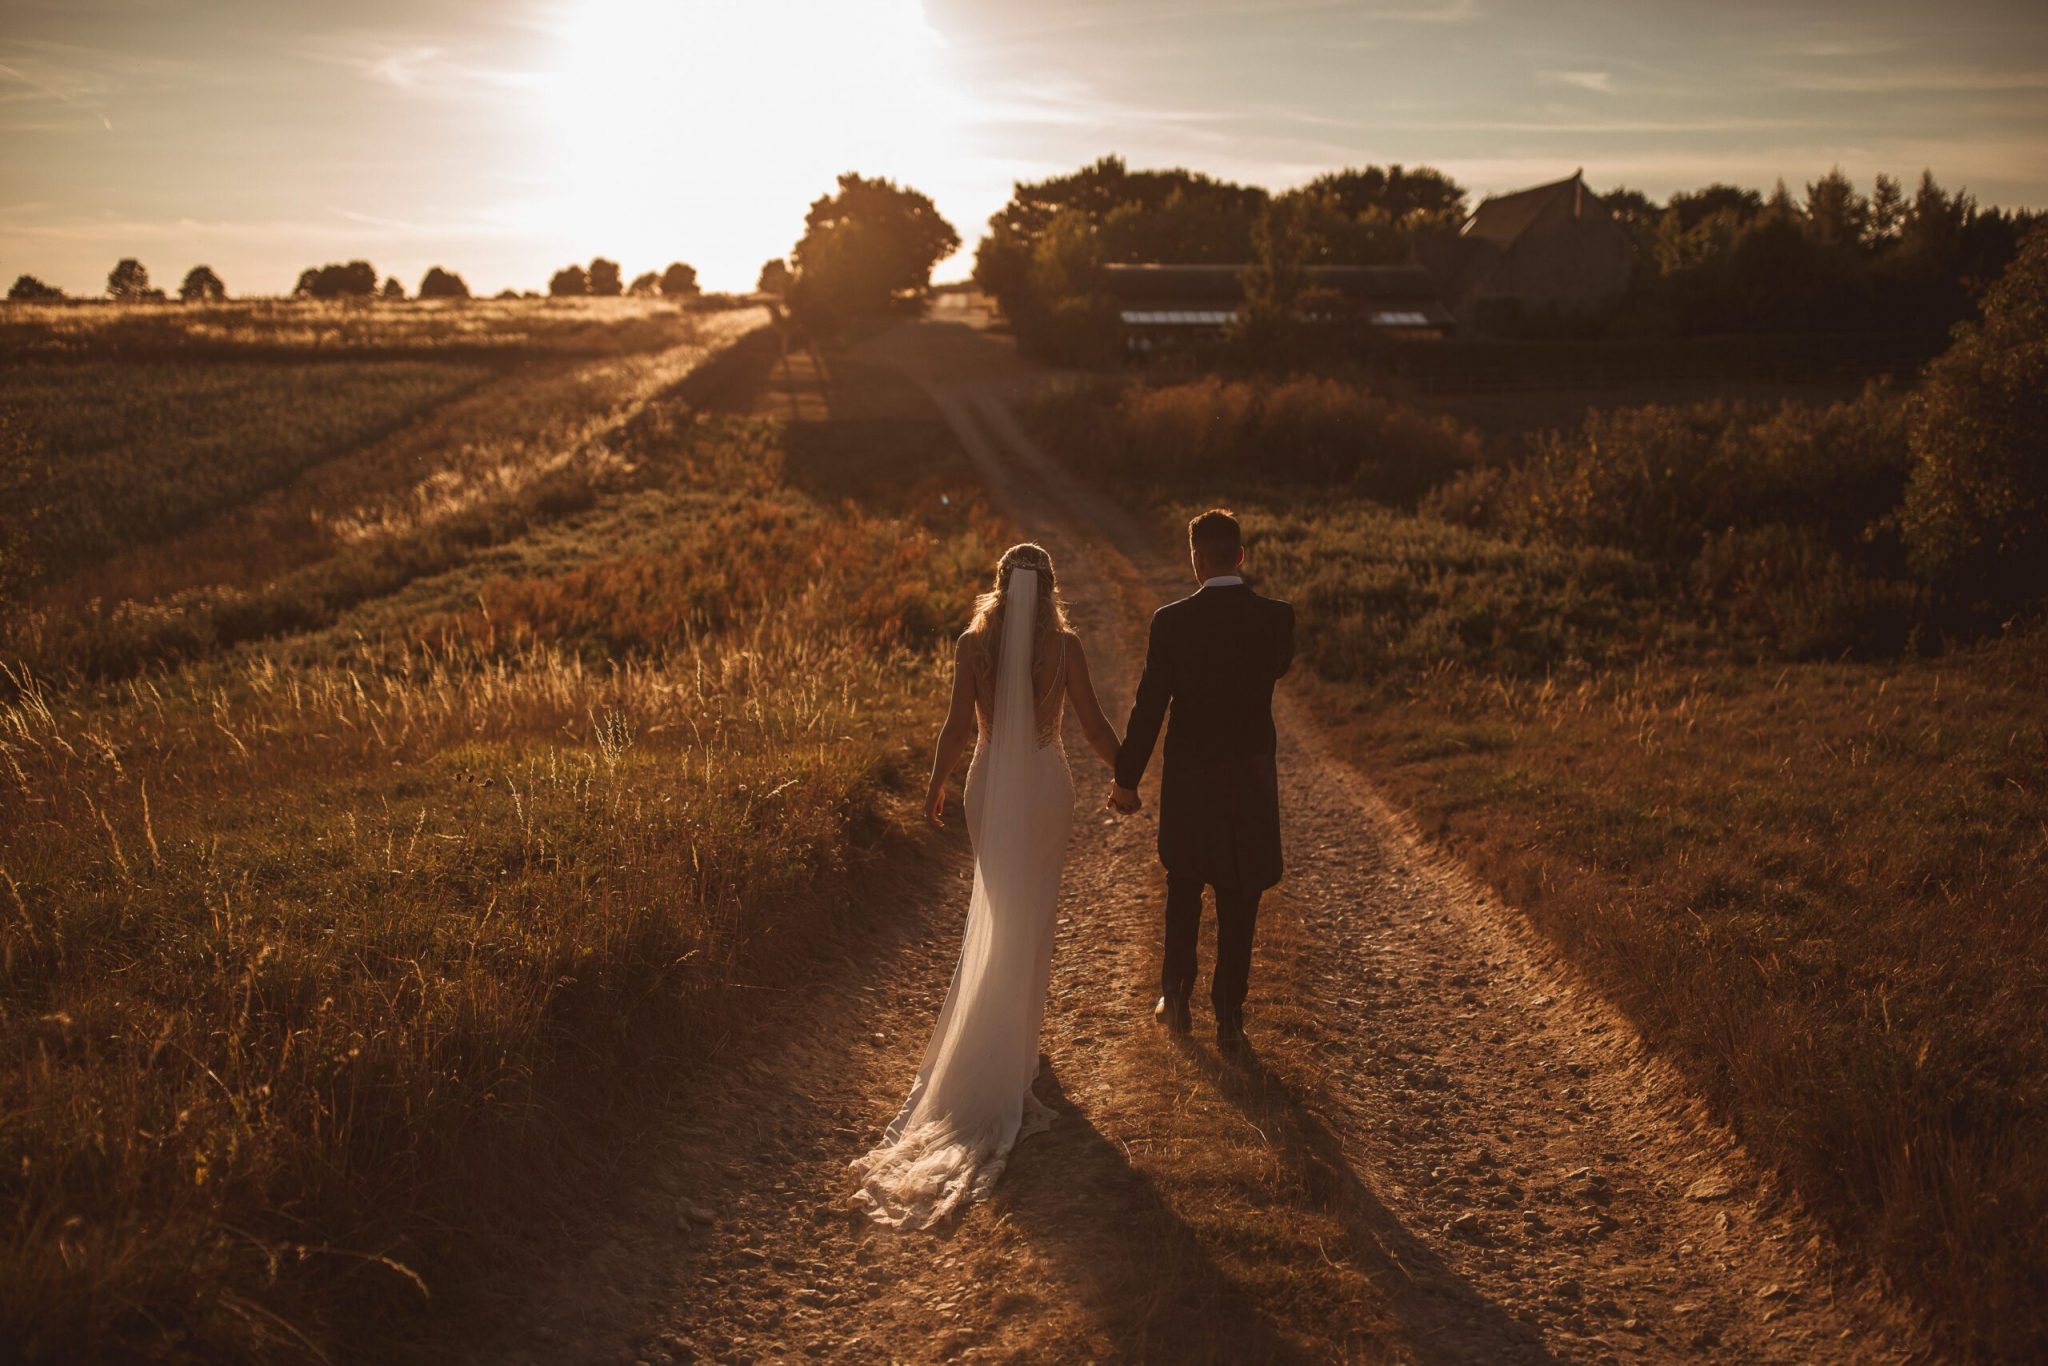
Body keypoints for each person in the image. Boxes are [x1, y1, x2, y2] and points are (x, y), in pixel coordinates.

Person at [850, 542, 1123, 1229]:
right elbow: (1090, 726)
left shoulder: (973, 644)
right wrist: (1128, 771)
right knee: (1034, 916)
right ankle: (1020, 1042)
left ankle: (1004, 1035)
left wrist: (939, 784)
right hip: (1044, 785)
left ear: (998, 586)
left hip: (988, 780)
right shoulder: (1066, 647)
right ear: (1052, 588)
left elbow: (952, 728)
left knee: (999, 908)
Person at [1110, 509, 1295, 1052]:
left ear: (1195, 559)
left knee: (1185, 885)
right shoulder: (1278, 619)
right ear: (1240, 556)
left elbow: (1150, 707)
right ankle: (1230, 1016)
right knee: (1241, 893)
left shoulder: (1170, 622)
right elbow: (1277, 669)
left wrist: (1127, 779)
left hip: (1191, 777)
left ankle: (1177, 998)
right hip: (1250, 776)